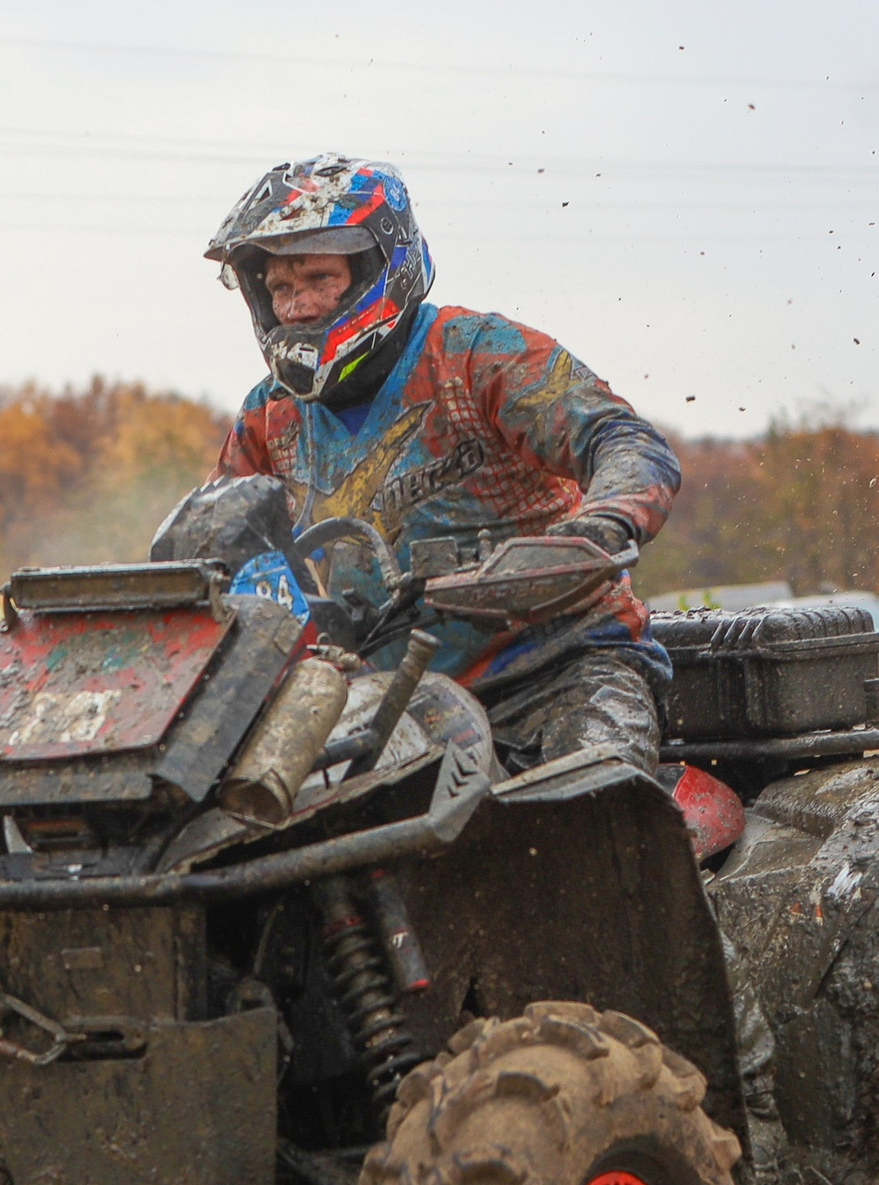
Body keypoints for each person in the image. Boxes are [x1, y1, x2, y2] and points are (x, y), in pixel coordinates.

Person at [204, 154, 682, 774]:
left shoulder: (477, 354)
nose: (296, 307)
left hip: (560, 670)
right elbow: (215, 544)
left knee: (596, 799)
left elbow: (625, 442)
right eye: (280, 288)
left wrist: (599, 526)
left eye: (318, 279)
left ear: (381, 265)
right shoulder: (269, 417)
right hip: (385, 698)